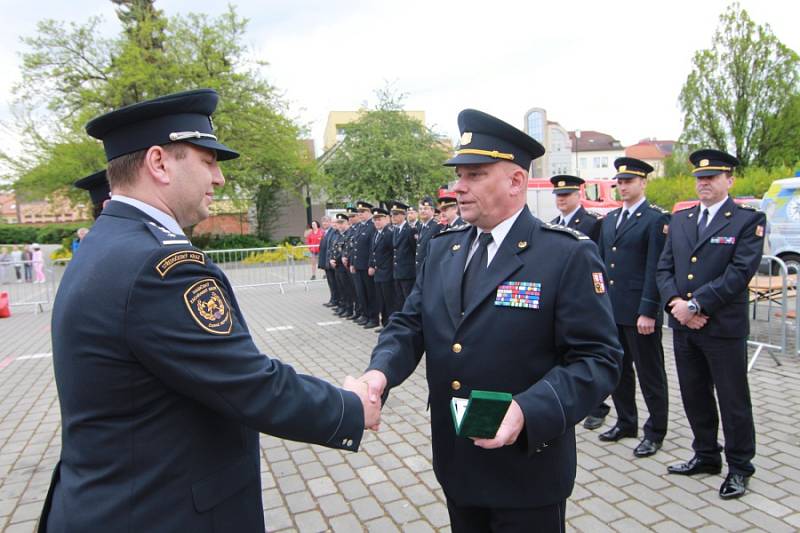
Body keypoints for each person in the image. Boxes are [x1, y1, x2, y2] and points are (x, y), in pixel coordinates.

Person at [40, 89, 378, 532]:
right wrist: (348, 408)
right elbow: (249, 383)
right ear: (159, 163)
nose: (219, 178)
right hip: (160, 512)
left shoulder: (107, 242)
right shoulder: (159, 266)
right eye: (208, 161)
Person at [358, 109, 622, 532]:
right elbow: (409, 324)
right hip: (458, 460)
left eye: (474, 175)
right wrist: (379, 373)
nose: (457, 187)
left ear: (516, 182)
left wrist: (527, 410)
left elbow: (598, 360)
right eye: (459, 175)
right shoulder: (445, 249)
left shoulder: (564, 254)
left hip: (527, 468)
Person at [657, 148, 765, 500]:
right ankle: (705, 455)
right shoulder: (683, 219)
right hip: (685, 325)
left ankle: (739, 467)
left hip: (722, 327)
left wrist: (697, 304)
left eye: (712, 177)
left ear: (729, 180)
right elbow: (664, 268)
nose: (704, 183)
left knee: (733, 400)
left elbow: (739, 273)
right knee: (694, 394)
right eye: (700, 178)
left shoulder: (746, 220)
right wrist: (676, 304)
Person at [594, 158, 670, 459]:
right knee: (619, 371)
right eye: (620, 182)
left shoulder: (655, 220)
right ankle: (626, 422)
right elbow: (600, 266)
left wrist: (649, 310)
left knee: (650, 373)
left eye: (629, 181)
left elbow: (656, 267)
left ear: (643, 183)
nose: (623, 187)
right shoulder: (610, 220)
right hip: (612, 310)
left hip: (640, 313)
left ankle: (656, 431)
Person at [351, 201, 379, 328]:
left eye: (363, 212)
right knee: (361, 292)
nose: (360, 214)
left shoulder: (372, 226)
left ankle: (373, 318)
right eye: (359, 212)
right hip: (358, 265)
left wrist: (371, 265)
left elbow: (373, 248)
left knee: (370, 293)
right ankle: (365, 314)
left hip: (366, 266)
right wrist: (352, 262)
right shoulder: (359, 227)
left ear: (369, 212)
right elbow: (354, 247)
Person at [549, 175, 601, 242]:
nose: (561, 199)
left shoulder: (593, 222)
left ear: (578, 196)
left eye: (566, 194)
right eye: (558, 195)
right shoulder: (553, 224)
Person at [369, 205, 395, 329]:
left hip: (387, 272)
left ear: (386, 219)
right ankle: (384, 323)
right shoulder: (376, 234)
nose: (377, 222)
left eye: (380, 219)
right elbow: (373, 252)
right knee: (382, 300)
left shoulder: (389, 233)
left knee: (389, 301)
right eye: (375, 219)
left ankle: (391, 324)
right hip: (378, 272)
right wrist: (372, 265)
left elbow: (393, 253)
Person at [390, 200, 416, 307]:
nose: (393, 217)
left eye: (396, 214)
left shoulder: (410, 230)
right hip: (398, 272)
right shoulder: (396, 230)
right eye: (392, 215)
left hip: (407, 273)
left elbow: (414, 251)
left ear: (403, 215)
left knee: (408, 300)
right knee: (400, 300)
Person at [331, 213, 355, 318]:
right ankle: (344, 307)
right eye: (338, 223)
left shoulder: (349, 234)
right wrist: (331, 259)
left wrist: (336, 259)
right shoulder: (338, 235)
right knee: (341, 288)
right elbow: (334, 249)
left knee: (348, 289)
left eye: (342, 223)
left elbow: (347, 250)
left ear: (347, 223)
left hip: (344, 265)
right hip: (338, 265)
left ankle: (349, 309)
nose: (340, 225)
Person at [414, 195, 442, 275]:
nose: (422, 211)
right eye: (420, 209)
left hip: (431, 271)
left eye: (425, 209)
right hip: (420, 270)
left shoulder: (437, 226)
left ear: (433, 211)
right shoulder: (420, 227)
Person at [318, 216, 339, 307]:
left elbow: (330, 248)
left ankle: (335, 300)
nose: (324, 224)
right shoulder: (326, 232)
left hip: (331, 262)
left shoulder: (333, 232)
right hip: (326, 262)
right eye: (323, 222)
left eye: (326, 222)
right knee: (331, 282)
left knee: (334, 283)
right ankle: (333, 298)